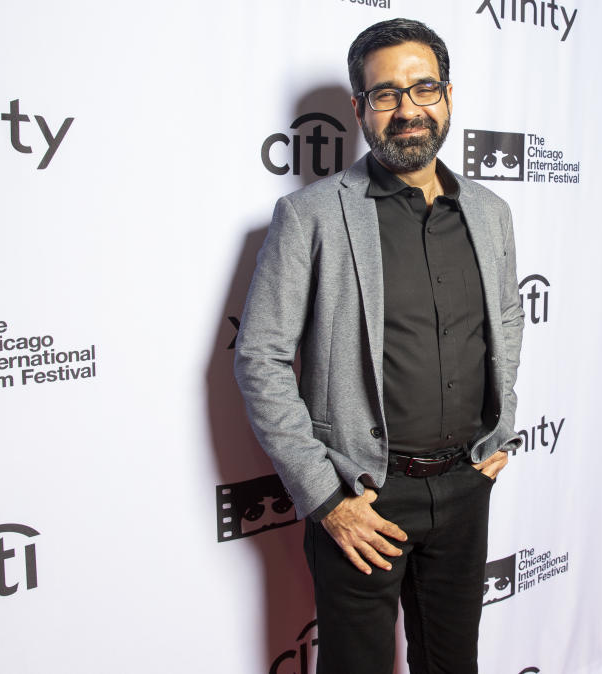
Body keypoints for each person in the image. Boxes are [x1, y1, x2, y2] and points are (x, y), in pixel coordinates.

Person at [234, 17, 524, 674]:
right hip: (363, 498)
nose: (407, 109)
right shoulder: (311, 215)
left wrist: (499, 428)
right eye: (386, 94)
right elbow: (260, 359)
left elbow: (506, 319)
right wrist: (327, 500)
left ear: (447, 96)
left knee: (453, 664)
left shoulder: (489, 211)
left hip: (464, 485)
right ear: (361, 109)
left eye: (423, 88)